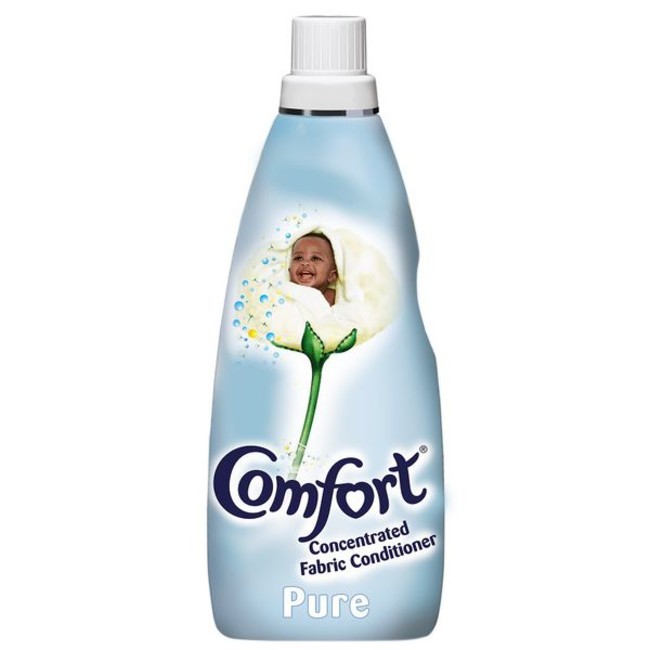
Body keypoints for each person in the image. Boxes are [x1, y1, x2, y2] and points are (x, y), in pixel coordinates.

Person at [288, 233, 338, 306]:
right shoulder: (284, 292)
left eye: (315, 258)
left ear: (332, 276)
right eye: (299, 258)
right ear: (289, 271)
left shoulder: (335, 299)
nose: (305, 263)